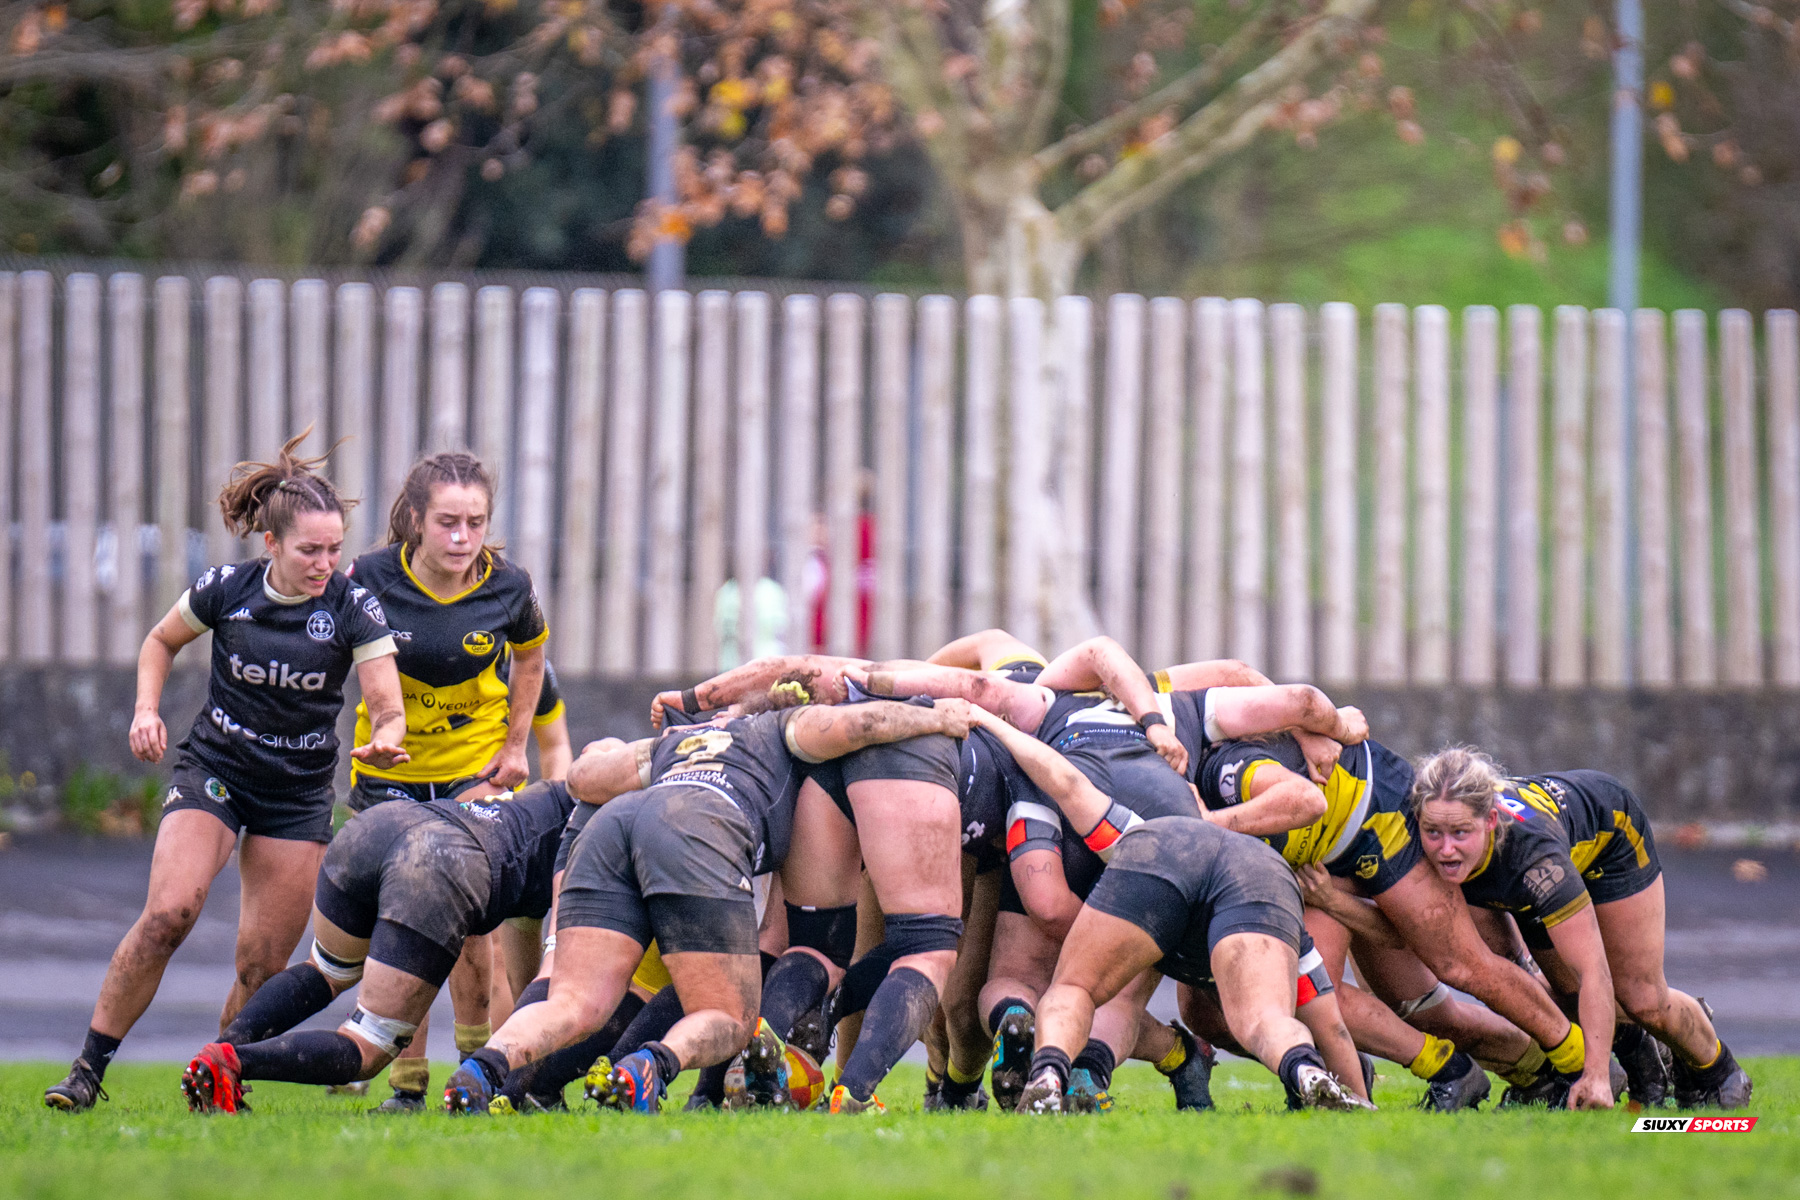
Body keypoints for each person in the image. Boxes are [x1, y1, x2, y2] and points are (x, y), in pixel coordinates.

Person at [44, 433, 406, 1112]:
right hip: (216, 771)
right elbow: (160, 640)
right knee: (169, 914)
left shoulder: (351, 608)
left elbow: (388, 706)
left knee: (262, 965)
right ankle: (87, 1070)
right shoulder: (226, 589)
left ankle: (214, 1079)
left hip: (296, 795)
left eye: (334, 549)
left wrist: (387, 738)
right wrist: (145, 710)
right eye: (309, 550)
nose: (326, 563)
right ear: (270, 543)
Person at [440, 693, 976, 1115]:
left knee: (575, 1003)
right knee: (729, 1016)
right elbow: (859, 725)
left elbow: (584, 779)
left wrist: (616, 753)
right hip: (698, 827)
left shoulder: (684, 738)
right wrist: (932, 717)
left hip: (616, 826)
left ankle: (481, 1070)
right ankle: (651, 1065)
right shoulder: (784, 729)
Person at [984, 718, 1371, 1114]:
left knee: (1075, 988)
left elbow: (1068, 782)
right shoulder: (1277, 908)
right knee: (1263, 1019)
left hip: (1168, 854)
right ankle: (1306, 1070)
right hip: (1260, 876)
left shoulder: (1146, 831)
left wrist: (989, 721)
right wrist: (1361, 1100)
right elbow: (1333, 1029)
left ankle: (1047, 1076)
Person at [342, 450, 549, 1111]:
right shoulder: (369, 578)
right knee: (396, 927)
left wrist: (516, 748)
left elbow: (533, 657)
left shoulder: (508, 586)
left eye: (476, 522)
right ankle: (406, 1085)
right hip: (390, 776)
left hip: (473, 774)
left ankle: (473, 1071)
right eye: (448, 523)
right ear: (413, 520)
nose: (463, 538)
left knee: (471, 928)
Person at [177, 781, 577, 1113]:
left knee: (326, 970)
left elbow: (527, 959)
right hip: (437, 858)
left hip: (378, 826)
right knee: (369, 1046)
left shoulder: (552, 801)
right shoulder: (589, 836)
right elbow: (552, 970)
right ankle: (231, 1062)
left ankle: (216, 1052)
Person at [1410, 747, 1752, 1110]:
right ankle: (1647, 1070)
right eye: (1434, 832)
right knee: (1555, 993)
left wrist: (1595, 1078)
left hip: (1611, 838)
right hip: (1526, 872)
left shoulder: (1537, 862)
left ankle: (1721, 1072)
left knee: (1642, 998)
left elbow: (1594, 972)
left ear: (1491, 821)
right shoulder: (1417, 834)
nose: (1445, 849)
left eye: (1460, 833)